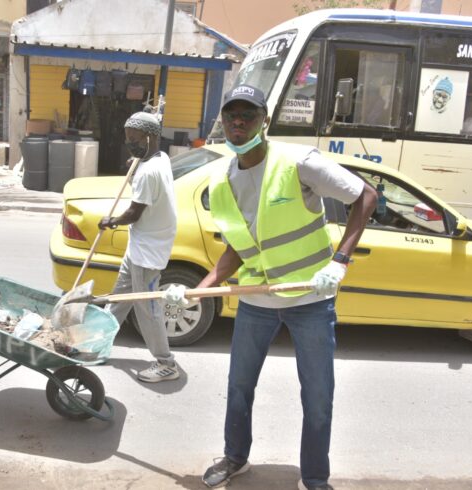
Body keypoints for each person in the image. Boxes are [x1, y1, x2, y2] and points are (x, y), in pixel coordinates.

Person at [166, 85, 376, 490]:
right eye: (232, 115)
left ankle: (315, 479)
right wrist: (198, 290)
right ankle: (235, 458)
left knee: (317, 397)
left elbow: (365, 196)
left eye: (248, 114)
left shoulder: (298, 162)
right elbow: (238, 249)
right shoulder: (223, 180)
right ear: (223, 122)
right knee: (240, 386)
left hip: (311, 299)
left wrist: (340, 260)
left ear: (265, 120)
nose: (239, 122)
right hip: (256, 301)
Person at [98, 111, 179, 383]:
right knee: (118, 298)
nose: (130, 144)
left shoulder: (148, 172)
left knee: (148, 310)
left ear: (151, 137)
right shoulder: (160, 157)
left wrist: (110, 222)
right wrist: (137, 160)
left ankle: (166, 363)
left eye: (135, 140)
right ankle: (99, 344)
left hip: (148, 253)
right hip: (140, 245)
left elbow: (133, 214)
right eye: (128, 139)